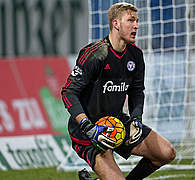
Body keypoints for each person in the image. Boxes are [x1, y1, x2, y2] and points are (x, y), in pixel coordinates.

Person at [61, 2, 176, 180]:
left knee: (167, 153)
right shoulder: (95, 54)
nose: (136, 25)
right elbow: (68, 92)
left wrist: (136, 119)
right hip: (88, 132)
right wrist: (87, 127)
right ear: (116, 23)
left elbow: (137, 91)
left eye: (137, 21)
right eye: (131, 20)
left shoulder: (135, 55)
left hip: (116, 124)